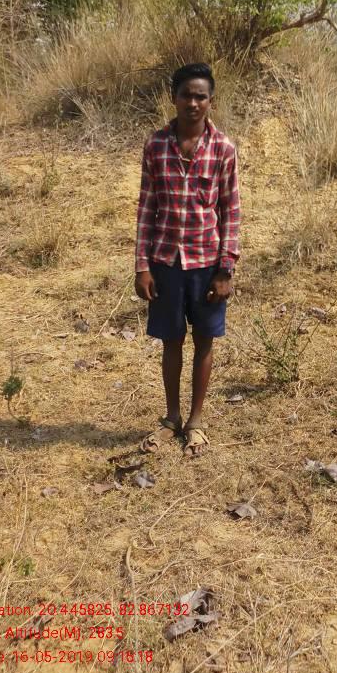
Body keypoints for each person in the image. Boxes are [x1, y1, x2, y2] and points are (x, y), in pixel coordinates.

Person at [134, 63, 240, 457]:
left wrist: (225, 268)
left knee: (204, 340)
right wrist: (142, 265)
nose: (193, 103)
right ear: (173, 97)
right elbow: (147, 208)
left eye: (200, 96)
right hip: (166, 262)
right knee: (172, 340)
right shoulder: (156, 145)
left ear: (211, 101)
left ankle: (195, 421)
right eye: (186, 95)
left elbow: (231, 211)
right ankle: (171, 418)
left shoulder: (223, 148)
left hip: (207, 264)